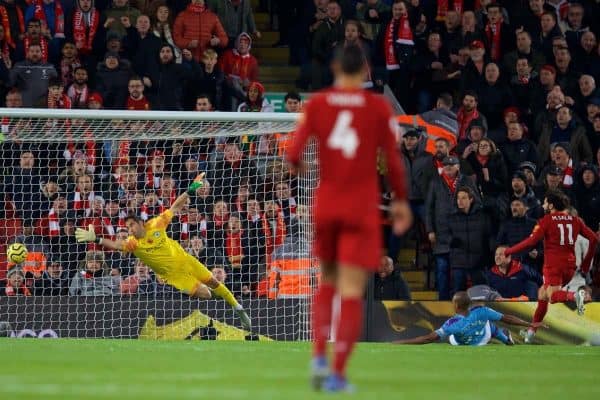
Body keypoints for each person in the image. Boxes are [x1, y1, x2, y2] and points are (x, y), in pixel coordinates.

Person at [285, 45, 412, 392]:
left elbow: (293, 154)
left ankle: (317, 356)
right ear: (366, 71)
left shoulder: (319, 104)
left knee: (326, 280)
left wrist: (301, 165)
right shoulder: (376, 108)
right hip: (360, 207)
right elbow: (394, 162)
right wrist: (400, 201)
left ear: (336, 66)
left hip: (325, 204)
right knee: (352, 291)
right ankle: (338, 373)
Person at [74, 173, 251, 330]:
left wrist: (191, 189)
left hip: (186, 259)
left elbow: (175, 206)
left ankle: (239, 309)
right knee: (206, 294)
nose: (129, 229)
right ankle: (218, 305)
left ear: (140, 223)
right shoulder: (133, 243)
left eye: (131, 225)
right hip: (175, 276)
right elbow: (116, 245)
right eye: (127, 227)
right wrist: (96, 239)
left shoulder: (156, 224)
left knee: (213, 282)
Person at [503, 190, 598, 344]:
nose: (544, 204)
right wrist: (586, 264)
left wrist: (509, 251)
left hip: (553, 265)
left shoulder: (546, 221)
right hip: (570, 266)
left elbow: (530, 242)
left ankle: (574, 296)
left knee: (553, 296)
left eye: (546, 202)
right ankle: (531, 333)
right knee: (542, 295)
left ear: (552, 205)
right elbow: (594, 239)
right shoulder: (575, 220)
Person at [393, 291, 544, 345]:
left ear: (456, 305)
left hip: (471, 341)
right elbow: (507, 318)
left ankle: (500, 333)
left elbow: (427, 338)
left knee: (452, 337)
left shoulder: (452, 323)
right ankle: (500, 333)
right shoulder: (482, 311)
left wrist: (401, 342)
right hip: (483, 337)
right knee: (487, 322)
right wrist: (530, 324)